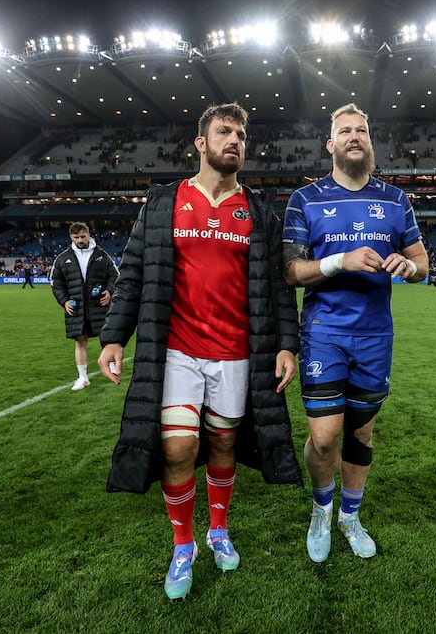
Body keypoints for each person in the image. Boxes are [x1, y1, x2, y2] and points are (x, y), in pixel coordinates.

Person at [97, 103, 301, 601]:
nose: (235, 139)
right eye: (224, 131)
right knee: (179, 447)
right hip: (177, 352)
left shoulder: (258, 212)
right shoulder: (164, 202)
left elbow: (277, 289)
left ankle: (218, 529)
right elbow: (135, 274)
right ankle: (183, 544)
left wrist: (288, 346)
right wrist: (112, 336)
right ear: (201, 143)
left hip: (236, 353)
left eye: (242, 134)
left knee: (225, 446)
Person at [282, 102, 429, 563]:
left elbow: (423, 263)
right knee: (325, 437)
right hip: (324, 333)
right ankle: (321, 509)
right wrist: (337, 261)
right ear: (330, 144)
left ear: (369, 141)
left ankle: (350, 515)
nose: (353, 136)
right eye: (344, 130)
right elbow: (290, 271)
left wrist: (409, 265)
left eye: (361, 131)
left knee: (361, 435)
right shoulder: (305, 200)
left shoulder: (395, 199)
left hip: (375, 336)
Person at [50, 222, 119, 390]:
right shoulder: (62, 258)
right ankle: (83, 377)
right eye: (76, 237)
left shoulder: (101, 255)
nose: (80, 240)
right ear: (71, 237)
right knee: (80, 341)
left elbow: (114, 276)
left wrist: (109, 292)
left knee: (106, 337)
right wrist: (64, 301)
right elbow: (55, 283)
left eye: (83, 236)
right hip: (76, 307)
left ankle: (111, 368)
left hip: (99, 305)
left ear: (88, 234)